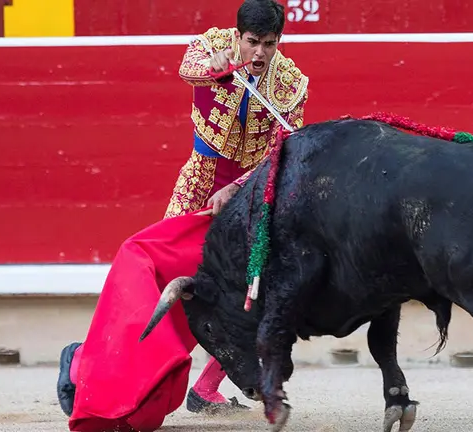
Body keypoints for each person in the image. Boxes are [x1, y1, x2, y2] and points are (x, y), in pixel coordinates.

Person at [55, 1, 309, 430]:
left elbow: (281, 150)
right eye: (252, 42)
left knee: (250, 288)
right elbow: (188, 67)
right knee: (163, 279)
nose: (260, 53)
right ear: (238, 35)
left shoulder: (292, 84)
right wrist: (216, 68)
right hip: (200, 180)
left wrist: (240, 186)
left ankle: (206, 386)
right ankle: (84, 361)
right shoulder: (212, 45)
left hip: (246, 192)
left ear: (278, 40)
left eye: (269, 44)